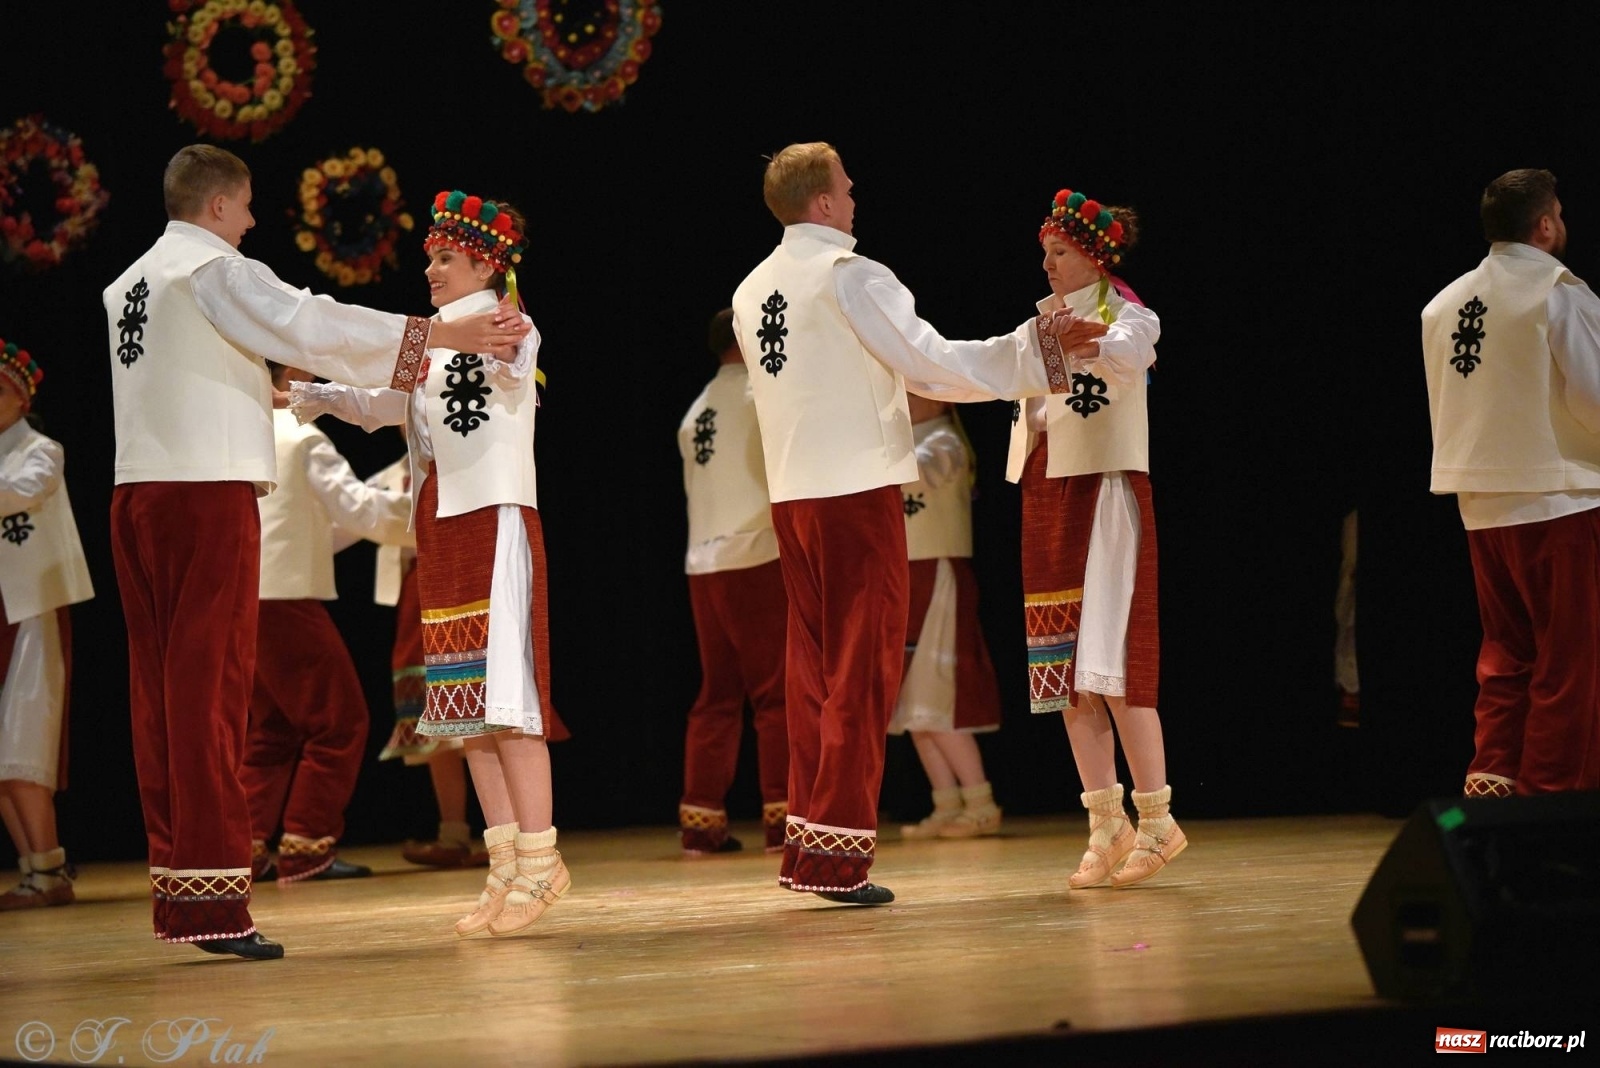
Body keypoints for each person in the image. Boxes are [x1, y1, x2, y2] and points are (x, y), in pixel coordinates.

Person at [101, 145, 529, 960]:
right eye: (250, 205)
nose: (254, 220)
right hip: (205, 492)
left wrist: (284, 389)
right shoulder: (214, 269)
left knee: (162, 696)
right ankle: (218, 902)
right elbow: (311, 320)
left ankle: (186, 886)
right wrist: (443, 333)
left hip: (138, 495)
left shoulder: (131, 282)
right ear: (221, 206)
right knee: (211, 693)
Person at [730, 142, 1102, 905]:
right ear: (825, 203)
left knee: (814, 671)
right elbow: (930, 365)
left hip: (792, 494)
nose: (856, 195)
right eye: (847, 187)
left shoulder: (748, 288)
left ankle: (808, 844)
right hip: (856, 489)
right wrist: (1037, 351)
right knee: (863, 672)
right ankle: (838, 860)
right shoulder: (852, 276)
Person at [289, 189, 571, 937]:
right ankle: (504, 863)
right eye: (432, 258)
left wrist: (461, 334)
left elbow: (505, 354)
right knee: (465, 711)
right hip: (439, 526)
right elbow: (387, 398)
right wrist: (319, 396)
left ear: (486, 261)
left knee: (508, 702)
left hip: (495, 516)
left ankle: (541, 863)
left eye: (446, 257)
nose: (432, 269)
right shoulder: (435, 336)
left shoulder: (507, 322)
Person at [1006, 187, 1181, 888]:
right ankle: (1104, 821)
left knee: (1111, 664)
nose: (1047, 266)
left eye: (1060, 253)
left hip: (1105, 491)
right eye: (1044, 254)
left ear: (1094, 257)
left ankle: (1158, 817)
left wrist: (1096, 339)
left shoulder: (1130, 315)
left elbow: (1134, 349)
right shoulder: (1039, 325)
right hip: (1050, 492)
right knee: (1067, 675)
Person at [1421, 167, 1600, 796]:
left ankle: (1493, 773)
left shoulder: (1441, 304)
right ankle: (1550, 802)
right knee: (1572, 660)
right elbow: (1593, 397)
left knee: (1507, 652)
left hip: (1481, 501)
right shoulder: (1557, 292)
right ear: (1546, 224)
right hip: (1559, 497)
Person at [243, 361, 413, 884]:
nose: (315, 386)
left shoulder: (244, 433)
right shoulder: (302, 437)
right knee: (340, 721)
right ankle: (306, 843)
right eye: (307, 375)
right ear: (286, 373)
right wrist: (427, 520)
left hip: (247, 596)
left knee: (270, 730)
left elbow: (324, 524)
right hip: (287, 597)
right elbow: (358, 509)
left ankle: (243, 846)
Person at [676, 308, 789, 857]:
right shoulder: (758, 397)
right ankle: (784, 819)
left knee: (716, 695)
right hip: (754, 553)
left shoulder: (695, 411)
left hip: (704, 560)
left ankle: (702, 823)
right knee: (775, 693)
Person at [0, 338, 93, 910]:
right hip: (5, 612)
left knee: (22, 741)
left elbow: (27, 491)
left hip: (32, 609)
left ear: (19, 396)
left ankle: (50, 870)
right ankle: (37, 868)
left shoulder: (40, 450)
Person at [367, 450, 485, 868]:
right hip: (417, 587)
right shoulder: (392, 473)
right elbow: (350, 517)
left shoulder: (463, 457)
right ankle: (453, 833)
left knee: (478, 705)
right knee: (435, 712)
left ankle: (510, 830)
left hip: (459, 575)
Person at [893, 394, 1004, 839]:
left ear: (938, 402)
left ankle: (980, 802)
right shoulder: (913, 442)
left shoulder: (945, 443)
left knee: (936, 699)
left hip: (937, 574)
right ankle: (947, 803)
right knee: (913, 707)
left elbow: (909, 473)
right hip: (907, 576)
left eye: (913, 392)